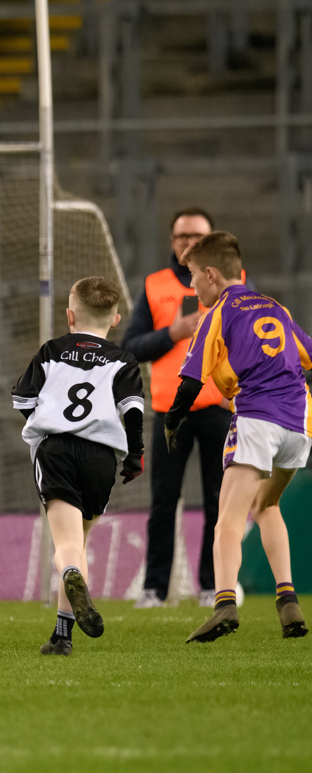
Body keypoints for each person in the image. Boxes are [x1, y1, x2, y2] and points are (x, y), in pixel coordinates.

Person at [165, 232, 310, 643]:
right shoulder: (275, 307)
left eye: (192, 275)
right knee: (267, 505)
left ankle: (224, 603)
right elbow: (309, 354)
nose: (191, 284)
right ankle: (288, 602)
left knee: (228, 519)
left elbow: (192, 380)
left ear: (211, 274)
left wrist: (172, 421)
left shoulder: (219, 313)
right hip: (299, 423)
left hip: (257, 419)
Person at [12, 278, 145, 657]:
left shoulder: (52, 350)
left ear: (69, 315)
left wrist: (44, 415)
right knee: (79, 542)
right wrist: (135, 454)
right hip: (102, 456)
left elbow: (22, 397)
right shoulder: (123, 360)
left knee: (67, 547)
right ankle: (62, 635)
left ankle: (70, 577)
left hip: (57, 451)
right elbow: (133, 410)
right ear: (116, 319)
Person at [124, 208, 233, 608]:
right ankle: (154, 588)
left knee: (220, 501)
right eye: (182, 236)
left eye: (197, 236)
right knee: (163, 502)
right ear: (172, 242)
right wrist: (173, 332)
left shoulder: (233, 286)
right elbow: (131, 347)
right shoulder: (155, 286)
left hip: (219, 408)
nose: (189, 242)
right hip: (171, 411)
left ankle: (213, 585)